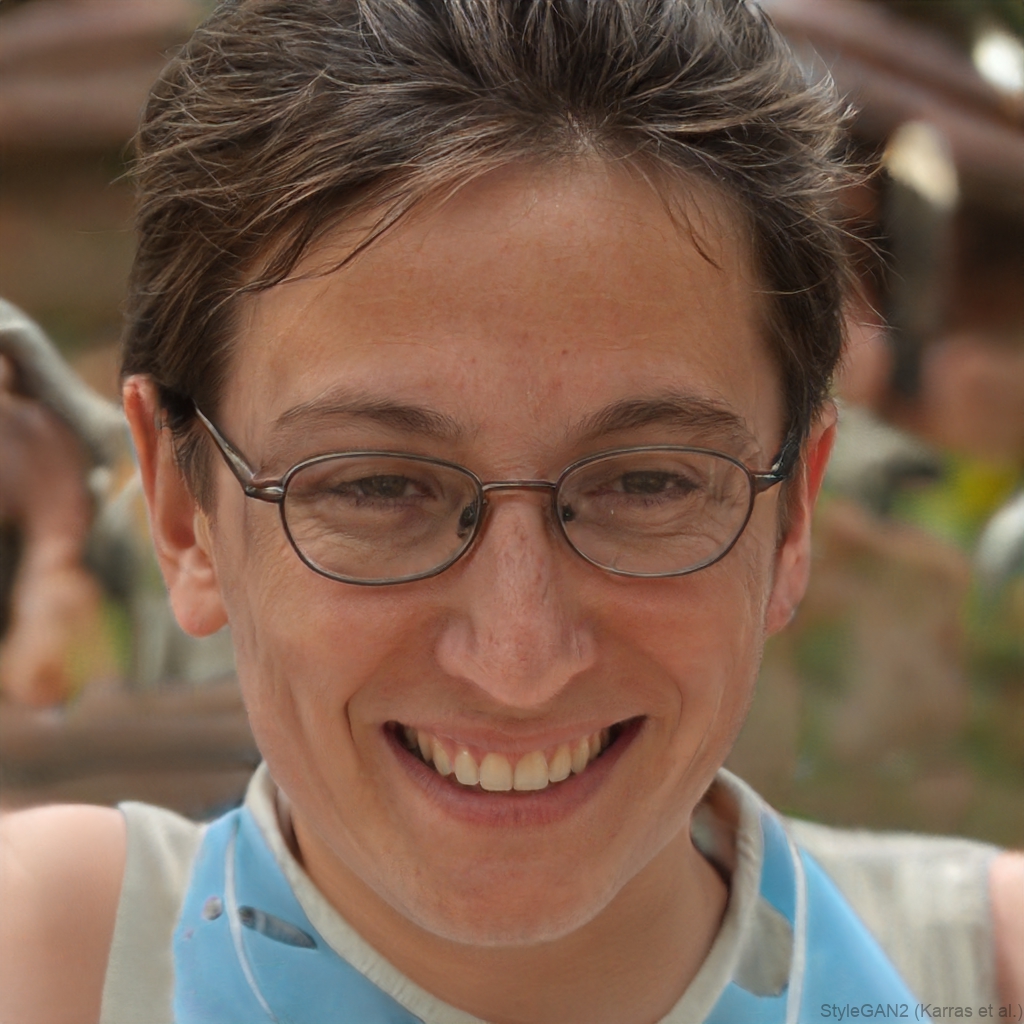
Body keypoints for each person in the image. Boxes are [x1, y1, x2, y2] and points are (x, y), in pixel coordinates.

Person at [1, 1, 1021, 1022]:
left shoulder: (979, 980)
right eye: (377, 486)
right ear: (186, 514)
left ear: (792, 515)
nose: (518, 660)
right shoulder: (56, 964)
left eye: (647, 483)